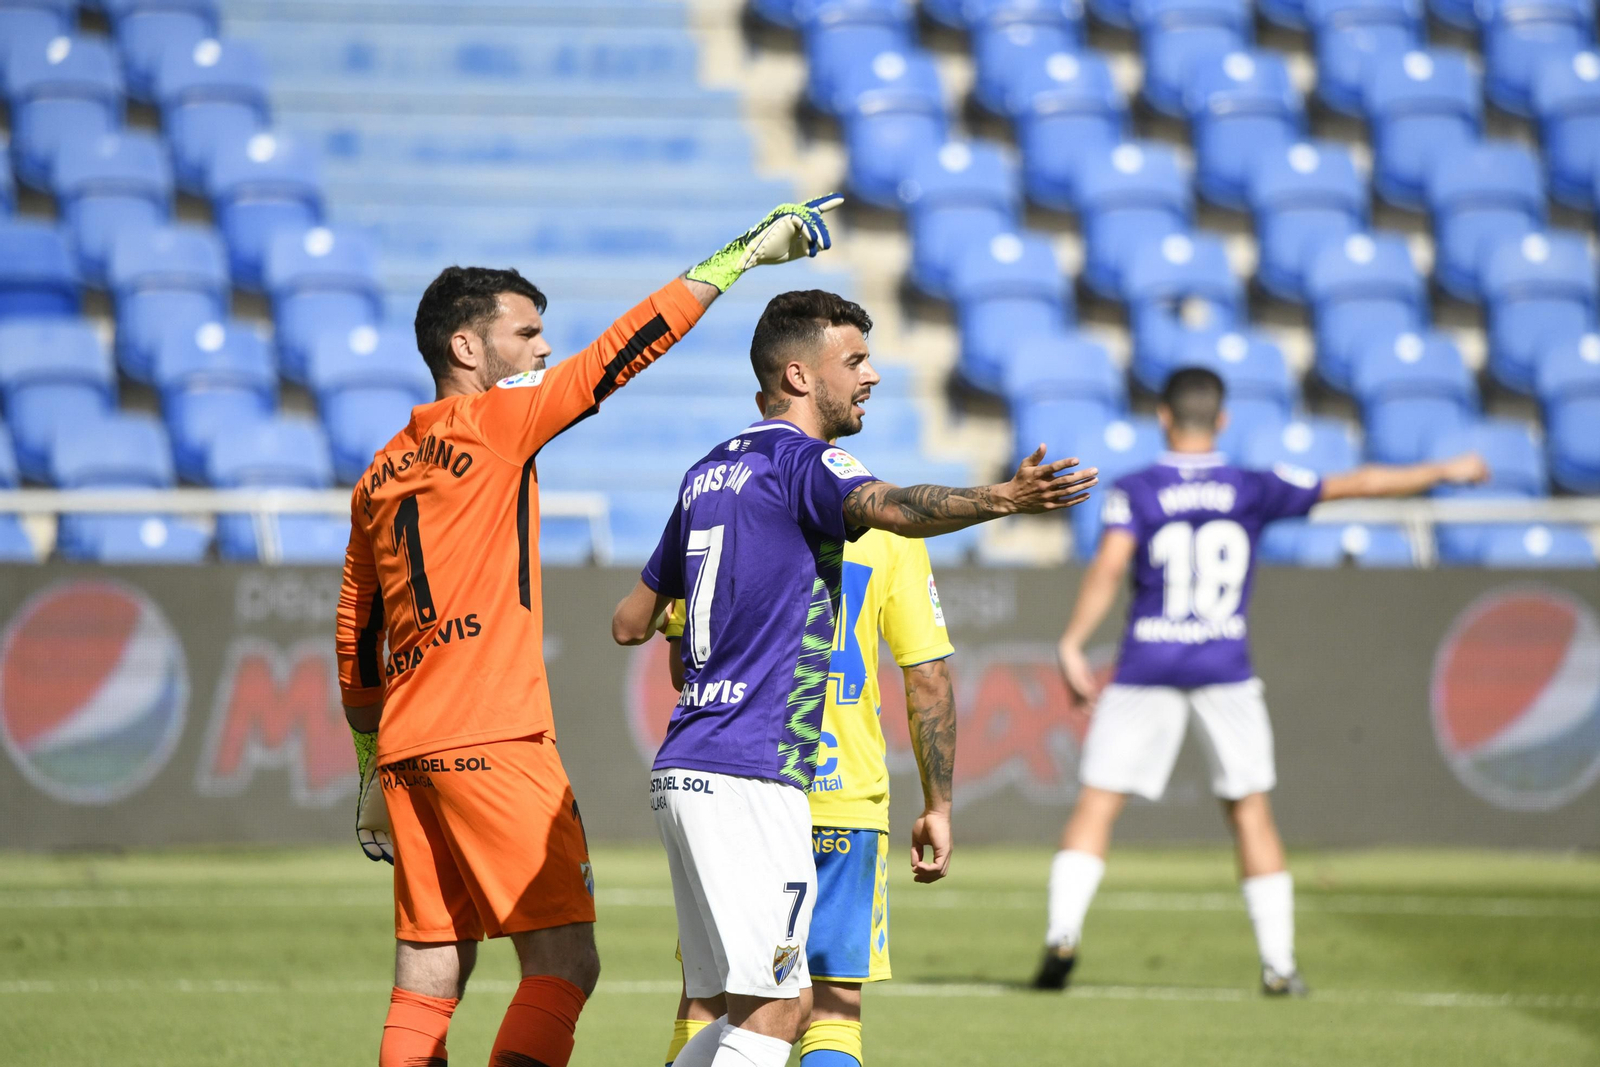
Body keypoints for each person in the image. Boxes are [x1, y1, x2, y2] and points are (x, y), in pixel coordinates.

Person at [333, 196, 842, 1067]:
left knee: (426, 970)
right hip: (492, 733)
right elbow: (616, 357)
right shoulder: (498, 421)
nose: (540, 350)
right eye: (526, 333)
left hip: (410, 746)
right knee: (566, 961)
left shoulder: (380, 471)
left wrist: (371, 760)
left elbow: (356, 629)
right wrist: (740, 257)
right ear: (467, 348)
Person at [612, 289, 1098, 1067]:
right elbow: (894, 506)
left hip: (684, 764)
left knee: (725, 1002)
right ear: (800, 375)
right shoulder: (811, 465)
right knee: (784, 1012)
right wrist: (1005, 498)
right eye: (856, 361)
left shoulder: (706, 474)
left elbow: (628, 622)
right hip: (759, 773)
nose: (872, 375)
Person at [1032, 366, 1488, 996]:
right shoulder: (1251, 486)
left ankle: (1063, 933)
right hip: (1224, 665)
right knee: (1250, 813)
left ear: (1162, 416)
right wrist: (1443, 471)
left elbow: (1110, 565)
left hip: (1147, 664)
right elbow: (1357, 484)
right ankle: (1278, 964)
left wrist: (1073, 641)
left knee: (1098, 804)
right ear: (1222, 420)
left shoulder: (1136, 489)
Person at [654, 397, 960, 1067]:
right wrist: (938, 804)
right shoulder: (888, 528)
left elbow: (685, 663)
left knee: (710, 997)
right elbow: (928, 673)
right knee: (834, 1010)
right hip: (842, 793)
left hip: (742, 770)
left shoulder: (737, 507)